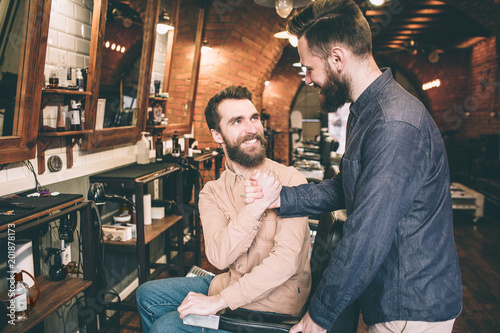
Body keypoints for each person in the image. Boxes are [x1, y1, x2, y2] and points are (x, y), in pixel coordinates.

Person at [244, 1, 462, 332]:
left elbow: (366, 235)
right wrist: (281, 199)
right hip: (394, 297)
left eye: (308, 68)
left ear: (337, 58)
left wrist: (318, 315)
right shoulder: (367, 111)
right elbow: (347, 185)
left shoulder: (394, 123)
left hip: (410, 305)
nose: (306, 79)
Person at [136, 85, 312, 333]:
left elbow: (287, 262)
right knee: (146, 294)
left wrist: (217, 301)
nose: (251, 129)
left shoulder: (290, 180)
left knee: (165, 327)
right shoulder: (212, 192)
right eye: (237, 121)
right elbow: (219, 257)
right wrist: (256, 208)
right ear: (217, 135)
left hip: (271, 307)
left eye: (254, 118)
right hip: (231, 283)